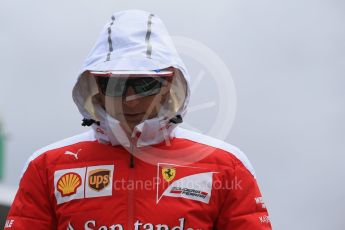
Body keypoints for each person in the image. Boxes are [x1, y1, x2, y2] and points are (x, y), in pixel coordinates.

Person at [5, 9, 272, 229]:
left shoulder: (227, 165)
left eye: (144, 83)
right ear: (94, 84)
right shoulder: (45, 167)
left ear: (169, 84)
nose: (129, 99)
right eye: (115, 84)